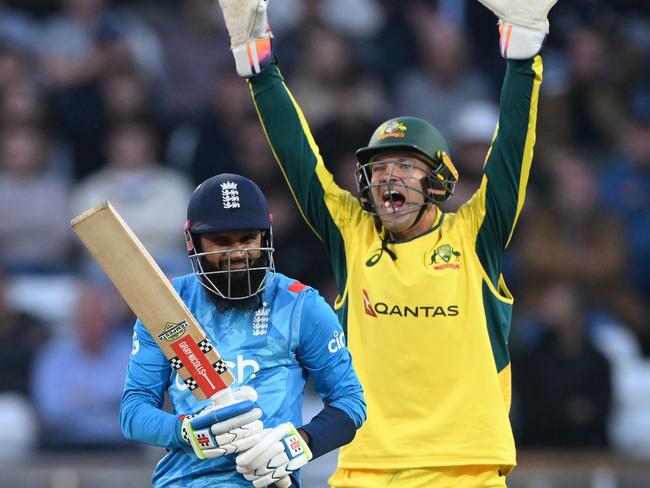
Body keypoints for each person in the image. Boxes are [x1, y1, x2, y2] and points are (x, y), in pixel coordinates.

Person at [217, 0, 557, 486]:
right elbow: (300, 159)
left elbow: (510, 154)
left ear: (438, 179)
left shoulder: (473, 234)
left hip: (465, 467)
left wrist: (523, 59)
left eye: (404, 166)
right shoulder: (352, 236)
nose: (387, 177)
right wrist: (258, 66)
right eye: (378, 168)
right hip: (363, 468)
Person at [120, 173, 366, 488]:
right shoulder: (167, 306)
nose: (237, 253)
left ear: (265, 237)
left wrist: (296, 445)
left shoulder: (300, 306)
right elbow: (134, 412)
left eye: (248, 238)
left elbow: (350, 401)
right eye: (221, 241)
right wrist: (189, 432)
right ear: (192, 242)